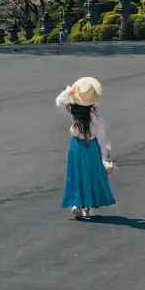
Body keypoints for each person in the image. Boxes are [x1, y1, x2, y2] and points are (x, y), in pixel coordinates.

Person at [55, 76, 116, 219]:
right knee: (90, 174)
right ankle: (86, 207)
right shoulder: (95, 114)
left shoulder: (72, 110)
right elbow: (101, 135)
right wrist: (105, 155)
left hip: (76, 145)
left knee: (77, 173)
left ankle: (77, 204)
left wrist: (68, 92)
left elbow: (59, 102)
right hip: (91, 146)